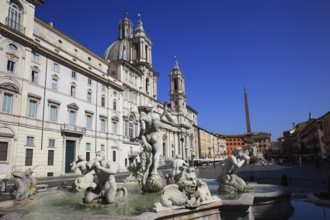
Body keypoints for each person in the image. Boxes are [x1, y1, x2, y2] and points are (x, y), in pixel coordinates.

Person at [135, 104, 162, 176]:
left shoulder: (144, 117)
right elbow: (158, 126)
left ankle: (146, 169)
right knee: (157, 153)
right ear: (151, 109)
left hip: (147, 137)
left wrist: (139, 136)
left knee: (148, 155)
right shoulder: (156, 116)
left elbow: (143, 129)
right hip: (155, 135)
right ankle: (154, 170)